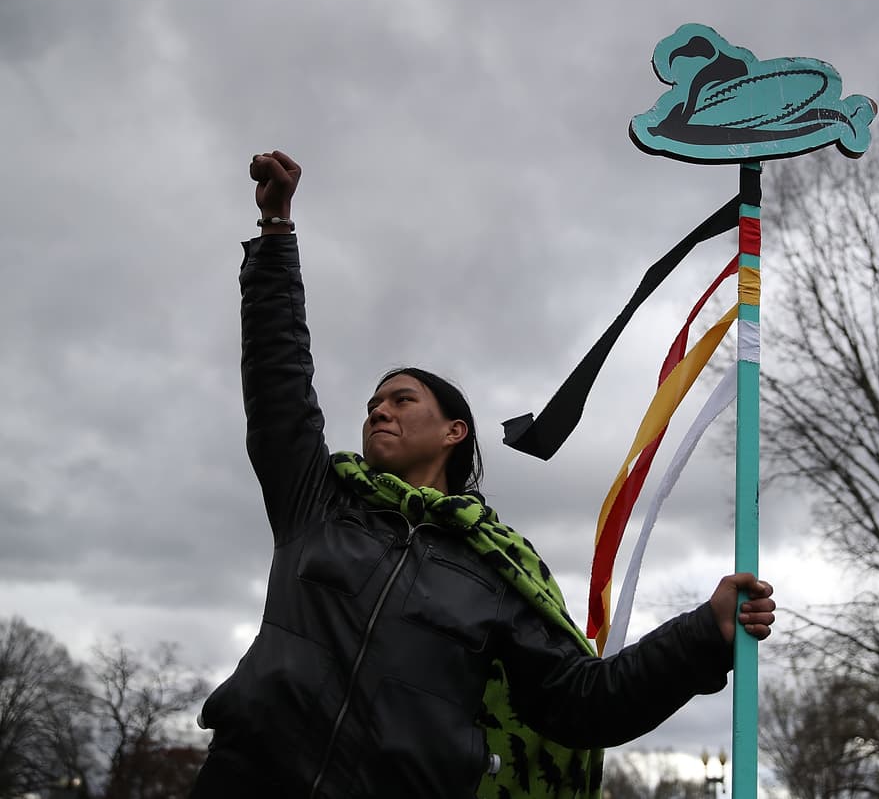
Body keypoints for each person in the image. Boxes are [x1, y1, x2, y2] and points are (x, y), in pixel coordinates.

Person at [190, 150, 776, 799]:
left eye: (402, 399)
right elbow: (278, 380)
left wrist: (704, 633)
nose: (379, 409)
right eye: (372, 405)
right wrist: (276, 235)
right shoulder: (317, 505)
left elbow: (584, 703)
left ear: (454, 431)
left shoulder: (496, 575)